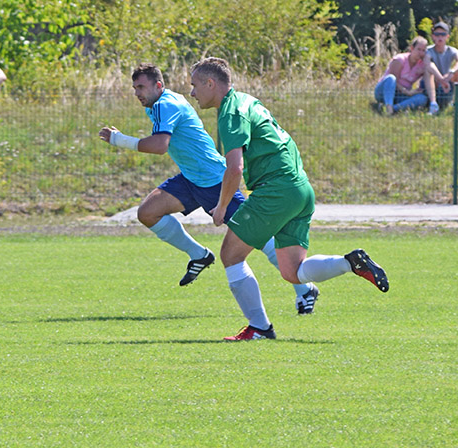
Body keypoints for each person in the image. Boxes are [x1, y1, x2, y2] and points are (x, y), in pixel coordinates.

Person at [189, 57, 389, 341]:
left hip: (276, 190)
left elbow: (235, 168)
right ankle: (350, 263)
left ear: (210, 83)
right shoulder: (247, 101)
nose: (192, 93)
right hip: (299, 188)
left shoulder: (231, 113)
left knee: (231, 256)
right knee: (293, 272)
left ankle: (259, 327)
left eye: (195, 85)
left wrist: (221, 207)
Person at [99, 63, 320, 315]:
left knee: (259, 236)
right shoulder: (160, 103)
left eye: (141, 87)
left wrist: (119, 139)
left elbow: (160, 145)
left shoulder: (165, 105)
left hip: (214, 180)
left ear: (158, 86)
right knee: (148, 212)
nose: (137, 93)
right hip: (191, 178)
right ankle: (199, 255)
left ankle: (305, 289)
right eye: (135, 88)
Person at [423, 21, 458, 115]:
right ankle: (433, 104)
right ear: (433, 36)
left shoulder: (452, 50)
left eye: (443, 34)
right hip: (434, 85)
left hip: (447, 85)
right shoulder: (428, 50)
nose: (440, 37)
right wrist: (441, 79)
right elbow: (427, 63)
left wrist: (451, 72)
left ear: (447, 36)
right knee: (428, 70)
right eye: (437, 34)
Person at [374, 36, 429, 115]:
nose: (420, 53)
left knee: (422, 98)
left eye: (423, 50)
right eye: (418, 49)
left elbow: (431, 74)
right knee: (391, 78)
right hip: (385, 91)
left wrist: (427, 64)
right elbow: (394, 81)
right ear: (412, 48)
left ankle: (394, 108)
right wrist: (407, 92)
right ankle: (389, 107)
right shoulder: (400, 59)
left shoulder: (422, 65)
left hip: (401, 95)